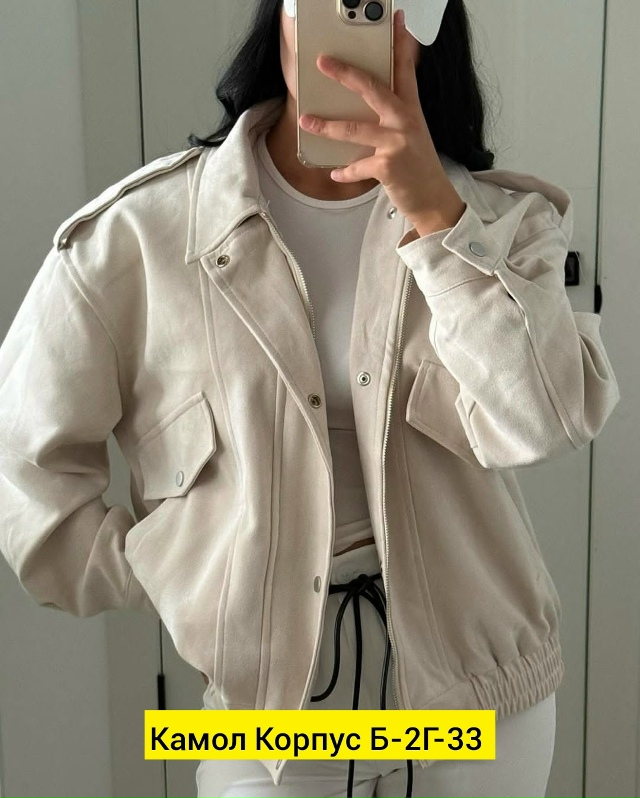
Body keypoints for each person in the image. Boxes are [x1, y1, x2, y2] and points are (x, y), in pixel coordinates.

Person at [0, 0, 620, 796]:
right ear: (284, 18)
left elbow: (543, 421)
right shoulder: (139, 236)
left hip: (481, 712)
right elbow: (24, 471)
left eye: (380, 7)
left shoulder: (504, 225)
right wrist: (169, 569)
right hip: (266, 722)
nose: (351, 30)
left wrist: (440, 220)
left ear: (427, 34)